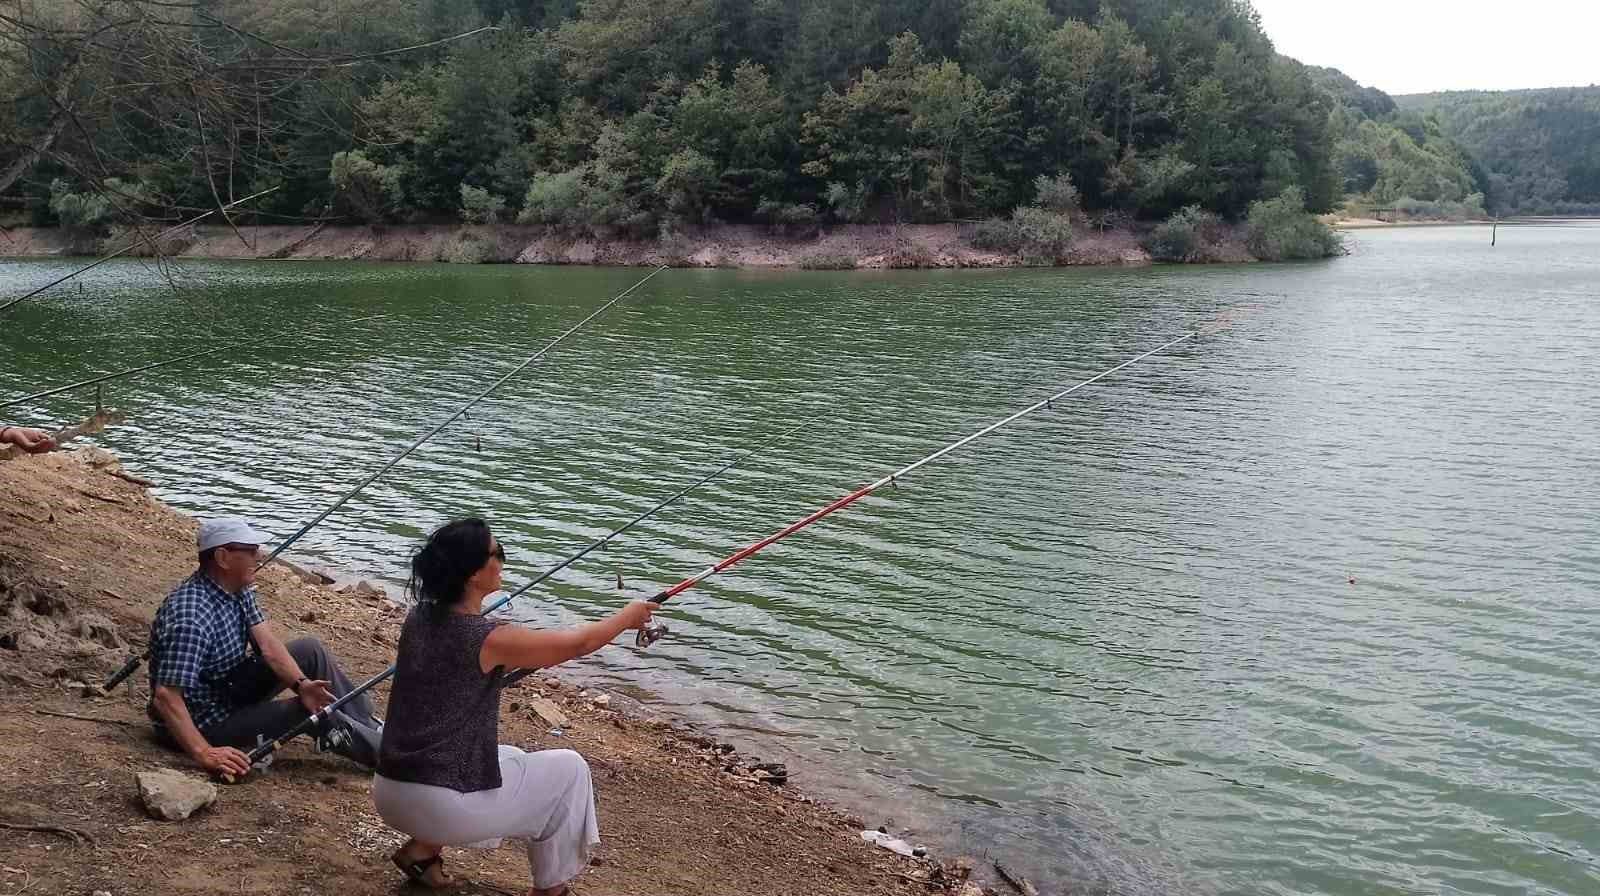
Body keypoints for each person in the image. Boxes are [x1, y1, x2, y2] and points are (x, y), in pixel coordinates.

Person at [373, 519, 657, 895]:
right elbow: (578, 644)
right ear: (474, 573)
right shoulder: (489, 638)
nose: (503, 560)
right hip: (438, 805)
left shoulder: (419, 618)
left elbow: (467, 664)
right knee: (569, 770)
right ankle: (550, 890)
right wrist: (628, 617)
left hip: (390, 792)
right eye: (498, 552)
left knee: (505, 757)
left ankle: (422, 852)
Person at [147, 518, 382, 778]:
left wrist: (302, 685)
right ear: (223, 557)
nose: (258, 556)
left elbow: (269, 645)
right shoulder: (191, 617)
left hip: (228, 690)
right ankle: (393, 758)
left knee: (309, 649)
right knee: (305, 712)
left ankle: (369, 725)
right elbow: (166, 696)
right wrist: (204, 752)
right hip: (201, 723)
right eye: (250, 551)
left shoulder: (236, 588)